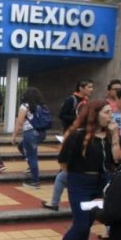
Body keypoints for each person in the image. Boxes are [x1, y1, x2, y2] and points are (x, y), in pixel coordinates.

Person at [51, 99, 115, 240]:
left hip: (100, 184)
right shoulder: (78, 135)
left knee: (87, 223)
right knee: (80, 224)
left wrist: (116, 134)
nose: (111, 115)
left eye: (111, 112)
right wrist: (76, 178)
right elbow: (63, 161)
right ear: (95, 114)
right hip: (80, 184)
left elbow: (115, 160)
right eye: (107, 112)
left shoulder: (109, 135)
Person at [43, 80, 93, 210]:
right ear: (81, 88)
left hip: (82, 137)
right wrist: (78, 119)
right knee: (64, 173)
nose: (91, 89)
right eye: (89, 87)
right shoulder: (71, 100)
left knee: (64, 175)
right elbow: (62, 115)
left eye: (92, 87)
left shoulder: (87, 101)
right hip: (72, 136)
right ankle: (56, 202)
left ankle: (56, 202)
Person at [11, 87, 47, 188]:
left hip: (30, 133)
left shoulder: (25, 106)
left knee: (32, 156)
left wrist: (14, 135)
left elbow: (19, 122)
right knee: (21, 146)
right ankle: (32, 167)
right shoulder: (42, 106)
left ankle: (35, 181)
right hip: (41, 133)